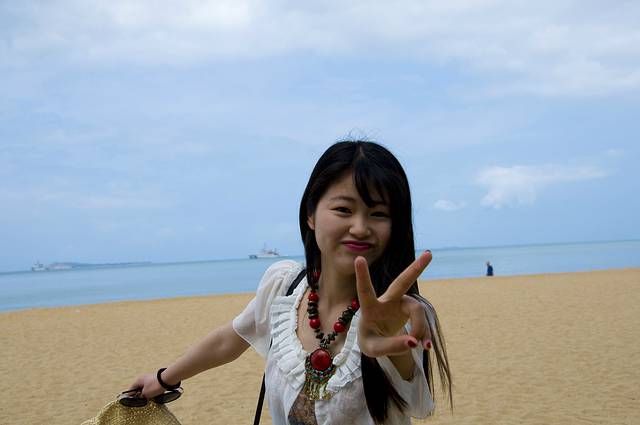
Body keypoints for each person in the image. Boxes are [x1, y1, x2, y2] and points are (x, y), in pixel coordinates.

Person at [130, 141, 452, 424]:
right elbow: (230, 339)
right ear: (311, 214)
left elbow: (417, 402)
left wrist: (391, 341)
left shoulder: (403, 313)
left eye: (379, 214)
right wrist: (164, 379)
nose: (359, 227)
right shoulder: (284, 287)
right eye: (343, 209)